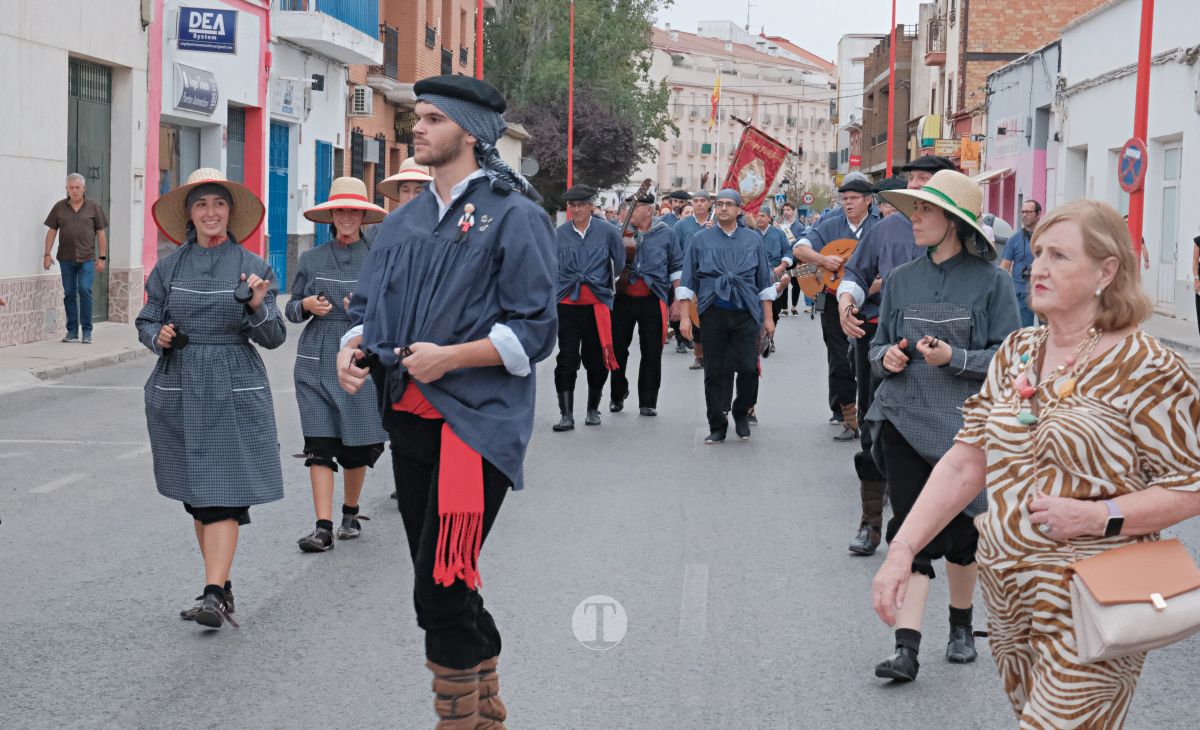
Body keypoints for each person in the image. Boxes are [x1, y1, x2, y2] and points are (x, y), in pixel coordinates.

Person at [872, 199, 1200, 726]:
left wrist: (1099, 515)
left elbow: (1191, 485)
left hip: (1094, 597)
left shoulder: (1148, 366)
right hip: (1009, 600)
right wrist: (902, 549)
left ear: (1106, 270)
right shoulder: (1019, 351)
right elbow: (964, 462)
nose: (1037, 267)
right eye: (1038, 253)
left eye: (1059, 257)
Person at [336, 74, 556, 728]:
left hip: (474, 427)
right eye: (417, 117)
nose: (417, 129)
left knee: (437, 588)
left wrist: (452, 357)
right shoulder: (403, 222)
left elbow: (534, 330)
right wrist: (353, 347)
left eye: (432, 118)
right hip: (407, 421)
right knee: (446, 584)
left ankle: (458, 720)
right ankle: (484, 707)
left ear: (470, 130)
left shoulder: (514, 215)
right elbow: (368, 310)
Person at [862, 169, 1019, 682]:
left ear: (953, 221)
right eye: (913, 210)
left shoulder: (993, 282)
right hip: (904, 419)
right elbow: (878, 343)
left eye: (924, 211)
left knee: (964, 535)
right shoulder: (903, 279)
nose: (914, 220)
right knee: (911, 528)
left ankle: (960, 623)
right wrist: (887, 358)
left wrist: (956, 357)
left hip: (966, 430)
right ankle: (906, 647)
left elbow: (1010, 360)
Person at [137, 168, 285, 629]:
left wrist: (257, 307)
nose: (210, 212)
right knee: (198, 496)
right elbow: (146, 319)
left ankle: (213, 593)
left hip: (233, 381)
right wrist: (156, 335)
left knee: (222, 494)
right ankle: (219, 586)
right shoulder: (168, 267)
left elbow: (276, 336)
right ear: (189, 214)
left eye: (218, 204)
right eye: (201, 204)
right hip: (179, 382)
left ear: (231, 213)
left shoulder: (255, 267)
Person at [837, 156, 957, 557]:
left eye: (925, 180)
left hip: (946, 361)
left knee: (941, 440)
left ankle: (938, 527)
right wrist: (846, 302)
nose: (916, 187)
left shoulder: (971, 235)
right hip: (885, 346)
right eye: (912, 181)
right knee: (875, 432)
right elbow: (855, 273)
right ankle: (871, 525)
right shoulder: (886, 230)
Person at [288, 177, 389, 552]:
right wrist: (306, 306)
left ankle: (350, 510)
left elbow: (392, 309)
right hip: (315, 357)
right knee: (319, 443)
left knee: (356, 444)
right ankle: (323, 526)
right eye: (340, 210)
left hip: (360, 357)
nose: (346, 217)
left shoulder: (378, 258)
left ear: (363, 215)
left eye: (353, 210)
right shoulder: (311, 258)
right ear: (331, 214)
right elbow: (290, 308)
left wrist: (362, 313)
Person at [677, 188, 775, 443]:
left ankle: (741, 411)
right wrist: (686, 318)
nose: (722, 208)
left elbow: (764, 282)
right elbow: (688, 280)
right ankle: (717, 425)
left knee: (748, 369)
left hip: (745, 313)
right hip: (712, 312)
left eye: (728, 204)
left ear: (739, 210)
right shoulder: (700, 240)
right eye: (718, 204)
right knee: (714, 371)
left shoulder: (753, 240)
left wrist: (768, 318)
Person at [792, 172, 881, 441]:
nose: (848, 203)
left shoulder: (881, 225)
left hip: (874, 304)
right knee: (839, 360)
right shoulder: (831, 223)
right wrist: (822, 259)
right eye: (844, 198)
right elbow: (800, 249)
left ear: (868, 200)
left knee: (868, 361)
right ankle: (848, 417)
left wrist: (864, 289)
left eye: (854, 198)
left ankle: (871, 416)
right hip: (833, 302)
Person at [552, 184, 625, 431]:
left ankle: (593, 408)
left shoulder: (608, 232)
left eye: (581, 204)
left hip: (597, 305)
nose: (576, 209)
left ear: (591, 206)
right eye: (572, 205)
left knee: (596, 360)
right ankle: (566, 414)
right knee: (567, 358)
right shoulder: (559, 234)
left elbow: (619, 261)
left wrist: (604, 285)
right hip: (566, 304)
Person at [610, 192, 682, 417]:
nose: (630, 211)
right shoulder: (617, 232)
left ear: (649, 210)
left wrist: (678, 301)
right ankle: (617, 394)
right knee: (617, 349)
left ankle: (648, 401)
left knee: (652, 350)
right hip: (622, 298)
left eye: (636, 207)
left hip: (653, 297)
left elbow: (676, 267)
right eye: (629, 207)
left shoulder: (666, 234)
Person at [44, 172, 108, 344]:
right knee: (69, 293)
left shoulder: (94, 207)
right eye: (71, 187)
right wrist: (47, 254)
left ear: (84, 188)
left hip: (87, 258)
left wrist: (102, 257)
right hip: (65, 258)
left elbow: (101, 234)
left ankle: (87, 331)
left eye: (77, 187)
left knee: (85, 290)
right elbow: (51, 231)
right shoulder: (59, 207)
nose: (74, 190)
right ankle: (72, 331)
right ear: (67, 189)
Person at [673, 190, 714, 365]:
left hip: (712, 277)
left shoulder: (717, 224)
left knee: (712, 317)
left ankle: (713, 354)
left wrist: (715, 231)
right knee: (694, 316)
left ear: (709, 204)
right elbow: (675, 251)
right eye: (695, 200)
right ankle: (699, 355)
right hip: (690, 275)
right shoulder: (682, 226)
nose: (698, 204)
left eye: (702, 200)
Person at [1000, 200, 1042, 327]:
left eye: (1028, 212)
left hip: (1044, 291)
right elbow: (1004, 268)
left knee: (1048, 332)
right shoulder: (1014, 239)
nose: (1024, 215)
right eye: (1022, 212)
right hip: (1021, 294)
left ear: (1038, 214)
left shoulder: (1047, 236)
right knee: (1024, 333)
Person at [754, 205, 794, 328]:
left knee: (774, 311)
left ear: (769, 218)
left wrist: (782, 266)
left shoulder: (779, 234)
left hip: (775, 277)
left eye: (762, 216)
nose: (759, 218)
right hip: (754, 277)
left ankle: (770, 338)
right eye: (757, 216)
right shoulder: (750, 232)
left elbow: (788, 251)